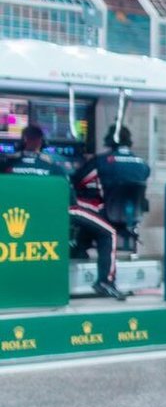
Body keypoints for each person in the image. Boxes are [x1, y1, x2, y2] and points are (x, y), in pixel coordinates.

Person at [7, 125, 127, 299]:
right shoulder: (54, 168)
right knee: (108, 232)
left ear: (23, 141)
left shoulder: (6, 166)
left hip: (12, 218)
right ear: (41, 142)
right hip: (53, 214)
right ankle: (105, 281)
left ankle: (79, 249)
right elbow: (70, 200)